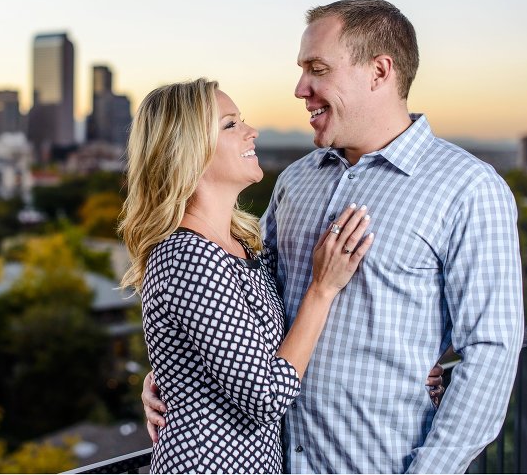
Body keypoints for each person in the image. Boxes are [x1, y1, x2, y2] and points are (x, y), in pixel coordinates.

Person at [143, 0, 524, 473]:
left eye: (317, 68)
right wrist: (177, 373)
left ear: (379, 72)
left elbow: (489, 354)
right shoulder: (295, 181)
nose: (301, 88)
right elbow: (237, 305)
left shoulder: (468, 188)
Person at [119, 78, 375, 473]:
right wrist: (322, 289)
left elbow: (234, 349)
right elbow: (267, 397)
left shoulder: (244, 243)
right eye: (230, 124)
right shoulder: (186, 257)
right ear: (189, 151)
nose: (251, 132)